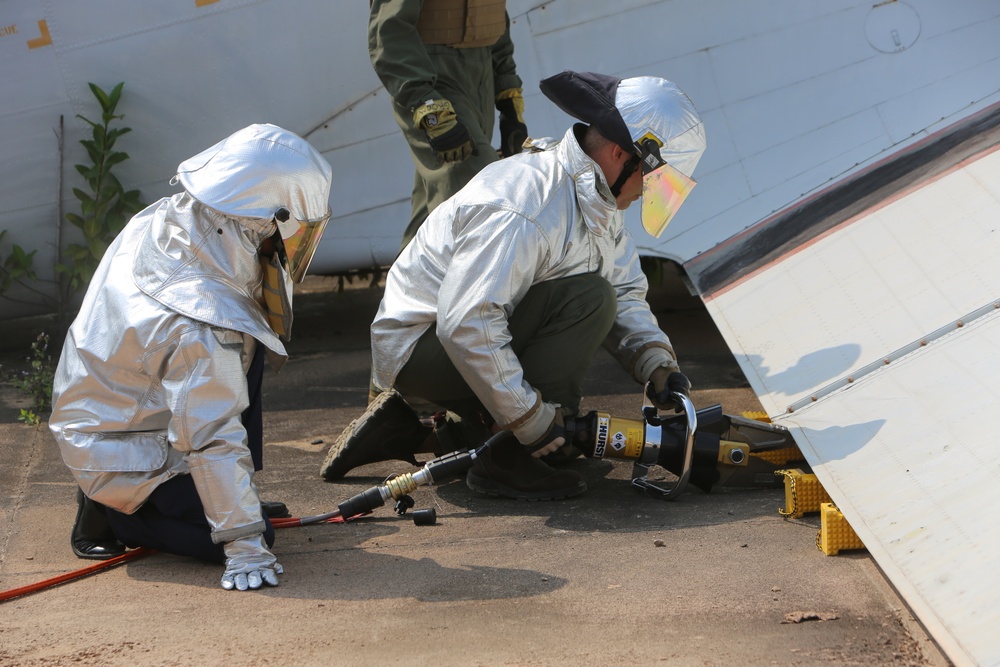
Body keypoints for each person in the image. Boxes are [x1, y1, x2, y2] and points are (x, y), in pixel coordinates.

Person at [320, 71, 706, 500]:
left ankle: (410, 432)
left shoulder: (595, 199)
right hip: (420, 346)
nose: (649, 194)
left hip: (453, 342)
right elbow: (467, 320)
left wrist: (656, 362)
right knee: (589, 301)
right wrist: (533, 423)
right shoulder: (528, 206)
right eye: (654, 180)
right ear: (621, 154)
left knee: (599, 295)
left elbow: (626, 290)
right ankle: (506, 459)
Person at [49, 124, 333, 591]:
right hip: (116, 444)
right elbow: (212, 432)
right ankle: (111, 512)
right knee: (242, 532)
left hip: (116, 401)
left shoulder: (173, 216)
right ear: (262, 218)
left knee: (247, 345)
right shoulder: (200, 319)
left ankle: (209, 495)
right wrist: (244, 545)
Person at [369, 0, 529, 249]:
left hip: (480, 73)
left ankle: (408, 287)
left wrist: (507, 95)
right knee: (480, 198)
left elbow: (491, 14)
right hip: (430, 77)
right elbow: (390, 31)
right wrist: (426, 104)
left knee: (440, 205)